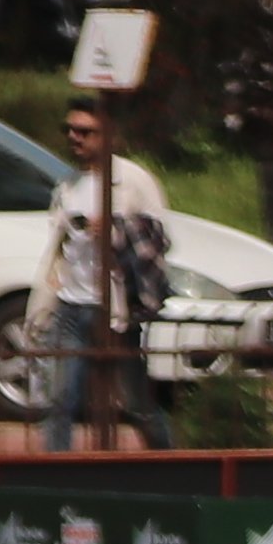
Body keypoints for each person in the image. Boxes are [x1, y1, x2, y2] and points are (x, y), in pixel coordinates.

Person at [40, 95, 172, 449]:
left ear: (109, 136)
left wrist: (115, 230)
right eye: (69, 129)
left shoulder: (133, 181)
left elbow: (158, 241)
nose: (74, 137)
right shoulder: (68, 183)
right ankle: (53, 480)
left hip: (115, 308)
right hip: (72, 302)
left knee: (136, 403)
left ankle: (172, 467)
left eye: (85, 131)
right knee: (59, 398)